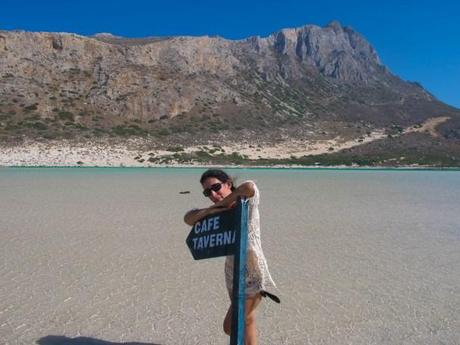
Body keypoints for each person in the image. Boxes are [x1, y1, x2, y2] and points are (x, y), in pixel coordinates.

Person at [184, 169, 279, 345]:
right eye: (207, 192)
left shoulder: (246, 201)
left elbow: (249, 187)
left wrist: (221, 204)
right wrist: (214, 209)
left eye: (216, 187)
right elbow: (188, 218)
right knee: (248, 321)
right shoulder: (219, 210)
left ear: (228, 183)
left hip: (251, 271)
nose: (213, 194)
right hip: (231, 271)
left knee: (231, 326)